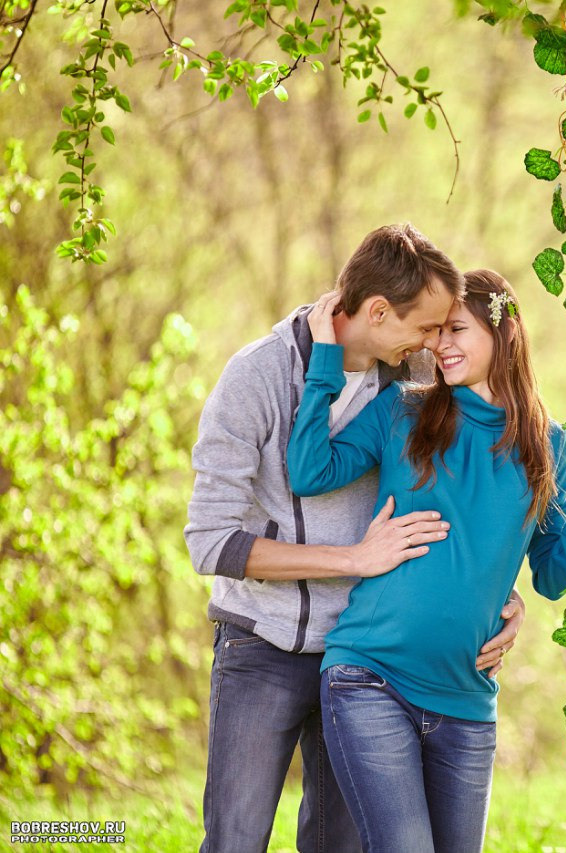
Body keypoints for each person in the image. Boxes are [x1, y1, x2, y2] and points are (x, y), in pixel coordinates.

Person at [184, 225, 529, 853]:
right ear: (377, 312)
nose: (435, 343)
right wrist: (353, 558)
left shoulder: (417, 378)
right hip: (263, 645)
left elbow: (482, 492)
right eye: (425, 327)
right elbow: (211, 542)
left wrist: (501, 599)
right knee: (235, 838)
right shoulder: (257, 378)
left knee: (338, 846)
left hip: (369, 661)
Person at [286, 270, 566, 853]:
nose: (440, 345)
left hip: (467, 702)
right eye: (436, 331)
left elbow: (549, 573)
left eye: (456, 329)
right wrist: (326, 363)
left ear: (504, 332)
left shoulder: (548, 446)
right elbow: (310, 470)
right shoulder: (404, 411)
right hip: (370, 678)